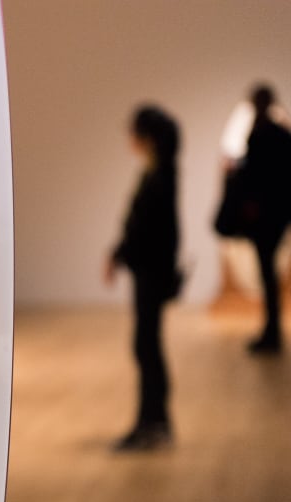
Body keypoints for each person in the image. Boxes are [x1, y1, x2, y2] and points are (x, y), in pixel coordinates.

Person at [105, 105, 182, 451]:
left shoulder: (159, 177)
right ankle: (156, 421)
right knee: (147, 345)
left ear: (146, 137)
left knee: (146, 346)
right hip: (151, 271)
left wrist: (119, 255)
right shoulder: (161, 173)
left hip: (150, 273)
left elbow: (145, 229)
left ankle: (151, 423)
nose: (129, 139)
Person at [237, 84, 291, 354]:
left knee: (267, 272)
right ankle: (272, 331)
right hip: (279, 213)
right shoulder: (282, 134)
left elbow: (254, 177)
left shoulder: (260, 135)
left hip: (264, 216)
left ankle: (272, 332)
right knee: (268, 272)